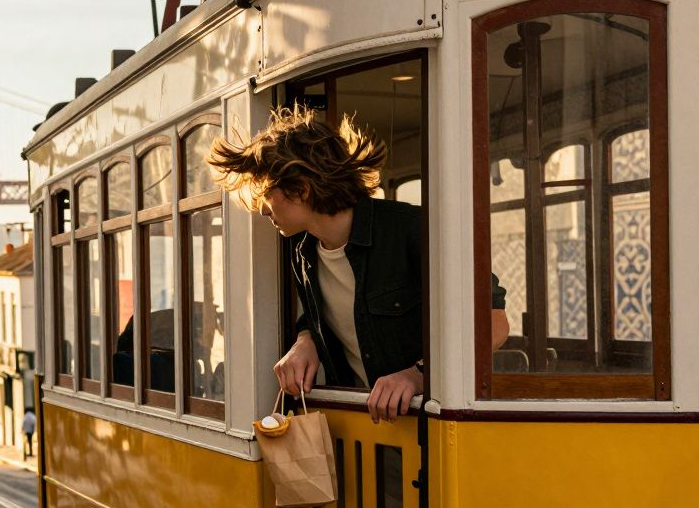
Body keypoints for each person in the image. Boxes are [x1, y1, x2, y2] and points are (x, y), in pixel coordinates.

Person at [208, 105, 510, 423]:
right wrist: (306, 341)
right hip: (362, 427)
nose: (262, 209)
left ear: (301, 190)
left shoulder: (414, 230)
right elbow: (321, 316)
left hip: (431, 427)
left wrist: (417, 375)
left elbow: (494, 324)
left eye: (267, 192)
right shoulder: (302, 252)